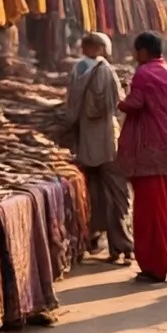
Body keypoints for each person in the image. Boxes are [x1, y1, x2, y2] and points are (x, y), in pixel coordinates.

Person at [117, 31, 167, 283]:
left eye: (136, 51)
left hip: (150, 154)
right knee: (164, 212)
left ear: (143, 51)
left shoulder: (144, 74)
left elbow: (133, 104)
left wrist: (121, 98)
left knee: (149, 213)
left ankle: (155, 266)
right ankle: (160, 262)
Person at [63, 32, 131, 261]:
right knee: (117, 194)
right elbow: (119, 104)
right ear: (100, 48)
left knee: (91, 194)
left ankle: (92, 239)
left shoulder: (76, 70)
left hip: (85, 143)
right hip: (108, 142)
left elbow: (70, 107)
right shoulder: (105, 70)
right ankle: (121, 245)